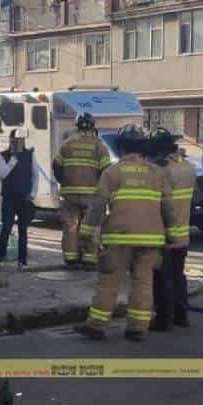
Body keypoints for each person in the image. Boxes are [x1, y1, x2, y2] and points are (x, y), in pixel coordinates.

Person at [76, 125, 176, 341]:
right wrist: (173, 236)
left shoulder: (112, 172)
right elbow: (168, 208)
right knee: (143, 283)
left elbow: (97, 206)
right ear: (142, 148)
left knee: (109, 280)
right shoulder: (157, 173)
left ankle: (97, 325)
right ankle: (137, 328)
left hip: (118, 237)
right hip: (151, 239)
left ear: (120, 148)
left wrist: (85, 233)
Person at [147, 128, 193, 331]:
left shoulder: (162, 171)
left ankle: (163, 320)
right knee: (178, 275)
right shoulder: (188, 166)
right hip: (183, 233)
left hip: (165, 233)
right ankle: (181, 315)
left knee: (162, 279)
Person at [52, 113, 111, 267]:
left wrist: (64, 181)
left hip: (70, 194)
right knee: (91, 226)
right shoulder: (99, 147)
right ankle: (89, 259)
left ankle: (71, 258)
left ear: (77, 127)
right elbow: (106, 171)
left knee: (70, 226)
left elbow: (56, 167)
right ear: (92, 127)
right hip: (91, 195)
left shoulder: (67, 145)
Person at [0, 128, 48, 269]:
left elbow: (35, 175)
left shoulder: (30, 155)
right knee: (6, 227)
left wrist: (32, 194)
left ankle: (22, 261)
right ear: (11, 140)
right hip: (9, 198)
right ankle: (1, 258)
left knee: (23, 230)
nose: (20, 142)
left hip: (24, 198)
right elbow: (2, 174)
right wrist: (13, 158)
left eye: (22, 139)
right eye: (17, 139)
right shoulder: (2, 156)